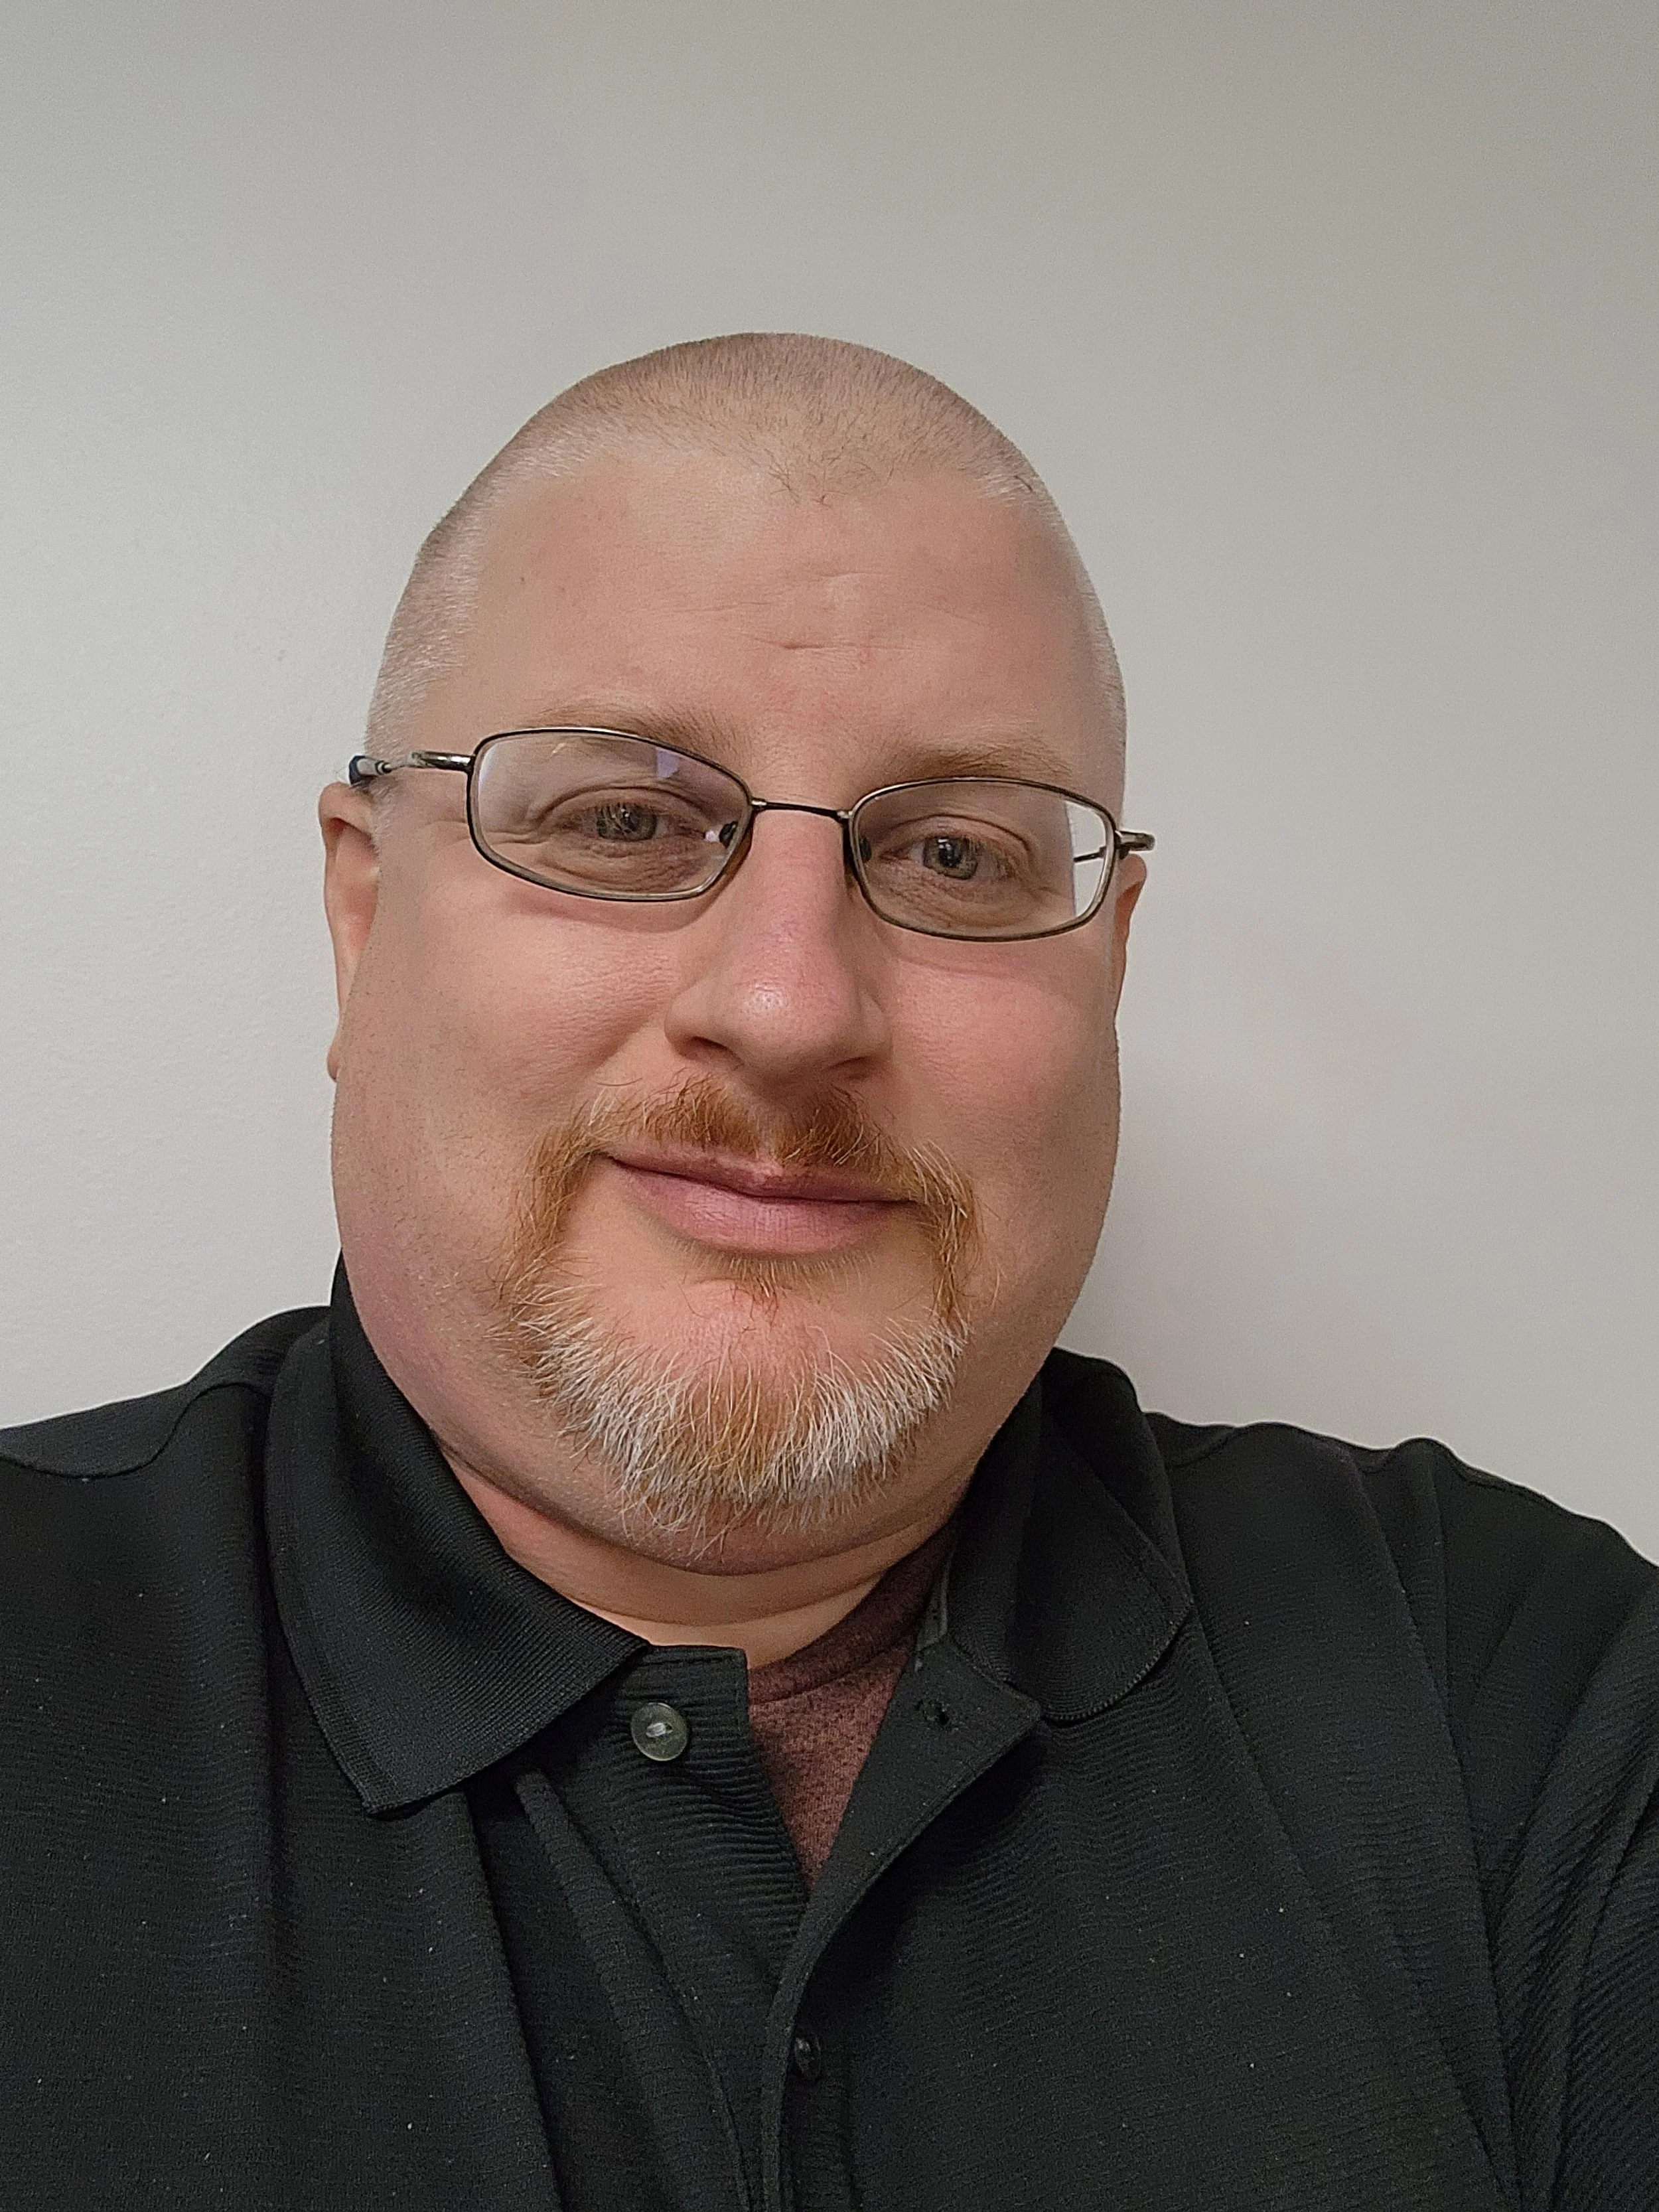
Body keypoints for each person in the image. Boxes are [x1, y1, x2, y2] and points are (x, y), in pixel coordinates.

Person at [2, 334, 1654, 2212]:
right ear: (362, 909)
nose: (786, 1004)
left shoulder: (1519, 1709)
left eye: (953, 853)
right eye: (620, 821)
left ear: (1106, 968)